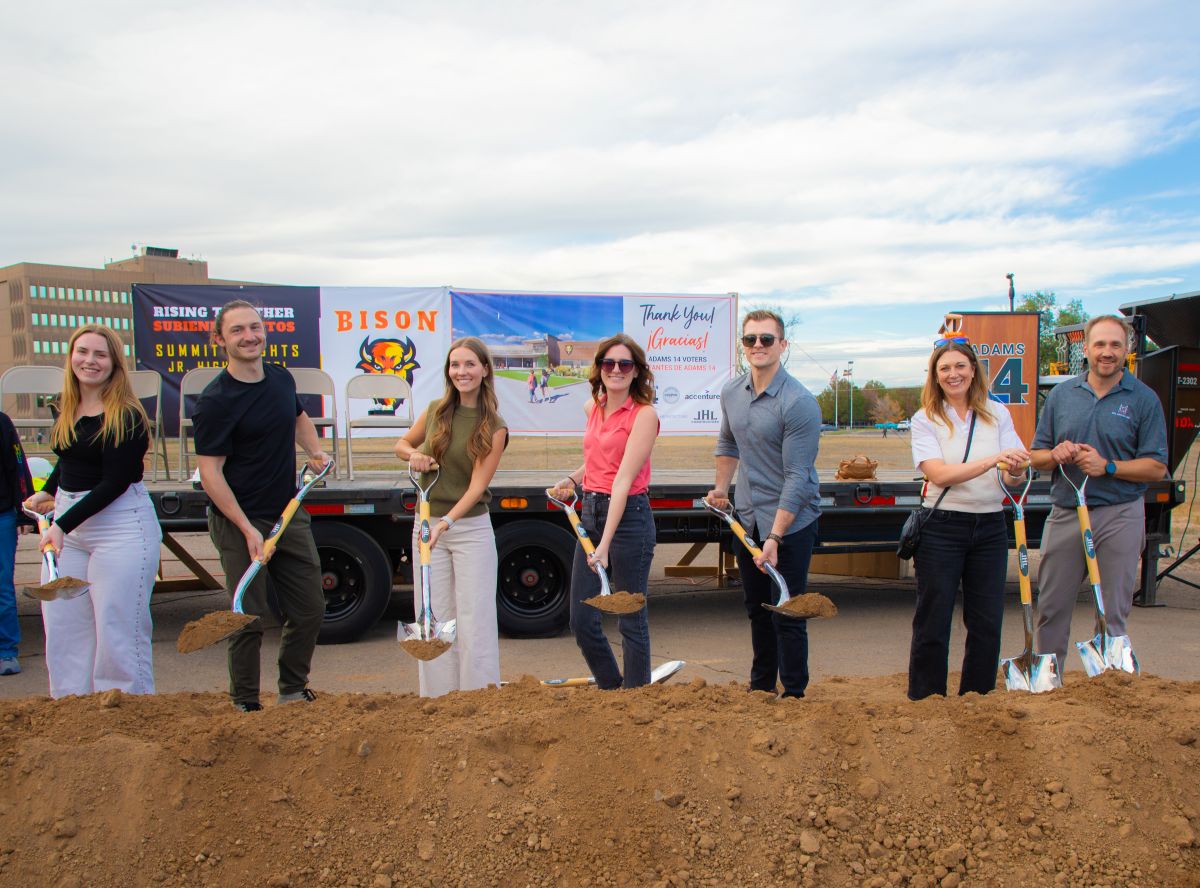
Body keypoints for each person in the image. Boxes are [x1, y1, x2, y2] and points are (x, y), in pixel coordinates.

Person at [193, 301, 332, 712]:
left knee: (310, 608)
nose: (249, 336)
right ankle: (245, 702)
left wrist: (314, 451)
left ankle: (291, 687)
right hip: (239, 519)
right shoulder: (215, 401)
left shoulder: (278, 378)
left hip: (287, 512)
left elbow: (297, 417)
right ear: (220, 340)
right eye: (237, 331)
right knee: (247, 617)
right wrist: (246, 527)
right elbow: (210, 474)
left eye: (254, 327)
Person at [24, 325, 160, 697]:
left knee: (117, 627)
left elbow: (114, 481)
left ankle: (126, 714)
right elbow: (70, 454)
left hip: (121, 526)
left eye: (100, 354)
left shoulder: (127, 415)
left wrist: (61, 526)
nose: (90, 361)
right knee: (64, 624)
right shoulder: (67, 405)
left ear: (115, 363)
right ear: (71, 358)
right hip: (72, 527)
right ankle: (71, 712)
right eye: (82, 352)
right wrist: (49, 492)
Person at [1031, 315, 1168, 668]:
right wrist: (1055, 455)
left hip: (1120, 513)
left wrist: (1108, 467)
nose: (1107, 352)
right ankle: (1046, 683)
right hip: (1066, 513)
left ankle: (1109, 692)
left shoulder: (1143, 399)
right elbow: (1037, 457)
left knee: (1112, 611)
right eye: (1100, 345)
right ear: (1087, 349)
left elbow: (1156, 466)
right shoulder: (1063, 395)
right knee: (1051, 607)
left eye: (1115, 345)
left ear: (1128, 350)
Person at [907, 337, 1031, 699]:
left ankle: (977, 698)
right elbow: (939, 474)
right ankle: (926, 698)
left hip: (990, 525)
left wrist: (1017, 470)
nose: (953, 374)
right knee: (933, 618)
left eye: (960, 366)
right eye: (944, 368)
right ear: (935, 375)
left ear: (974, 369)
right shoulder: (925, 419)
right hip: (941, 526)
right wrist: (994, 460)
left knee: (987, 620)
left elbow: (1011, 477)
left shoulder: (997, 413)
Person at [707, 310, 821, 698]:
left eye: (767, 339)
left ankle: (794, 694)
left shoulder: (799, 402)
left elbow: (798, 477)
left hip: (791, 523)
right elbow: (727, 444)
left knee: (787, 611)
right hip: (749, 518)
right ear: (743, 346)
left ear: (783, 346)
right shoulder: (730, 393)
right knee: (757, 608)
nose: (758, 345)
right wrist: (721, 489)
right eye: (750, 339)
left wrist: (776, 536)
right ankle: (760, 688)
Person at [395, 337, 509, 697]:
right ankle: (437, 700)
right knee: (433, 617)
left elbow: (476, 488)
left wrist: (446, 524)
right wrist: (414, 455)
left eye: (470, 364)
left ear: (485, 370)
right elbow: (401, 444)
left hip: (468, 528)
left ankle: (478, 698)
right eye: (455, 365)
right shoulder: (435, 411)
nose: (462, 372)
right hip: (426, 524)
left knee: (474, 618)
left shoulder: (494, 426)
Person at [550, 333, 658, 689]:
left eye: (624, 364)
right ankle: (613, 687)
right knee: (581, 619)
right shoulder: (593, 409)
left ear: (636, 371)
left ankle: (637, 695)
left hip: (628, 520)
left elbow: (624, 480)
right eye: (609, 363)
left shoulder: (644, 416)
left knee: (629, 615)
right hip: (592, 512)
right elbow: (597, 460)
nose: (616, 369)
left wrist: (605, 544)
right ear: (599, 368)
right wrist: (571, 479)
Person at [0, 412, 34, 676]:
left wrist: (23, 510)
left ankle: (7, 651)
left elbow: (18, 464)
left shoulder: (2, 422)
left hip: (2, 515)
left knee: (2, 585)